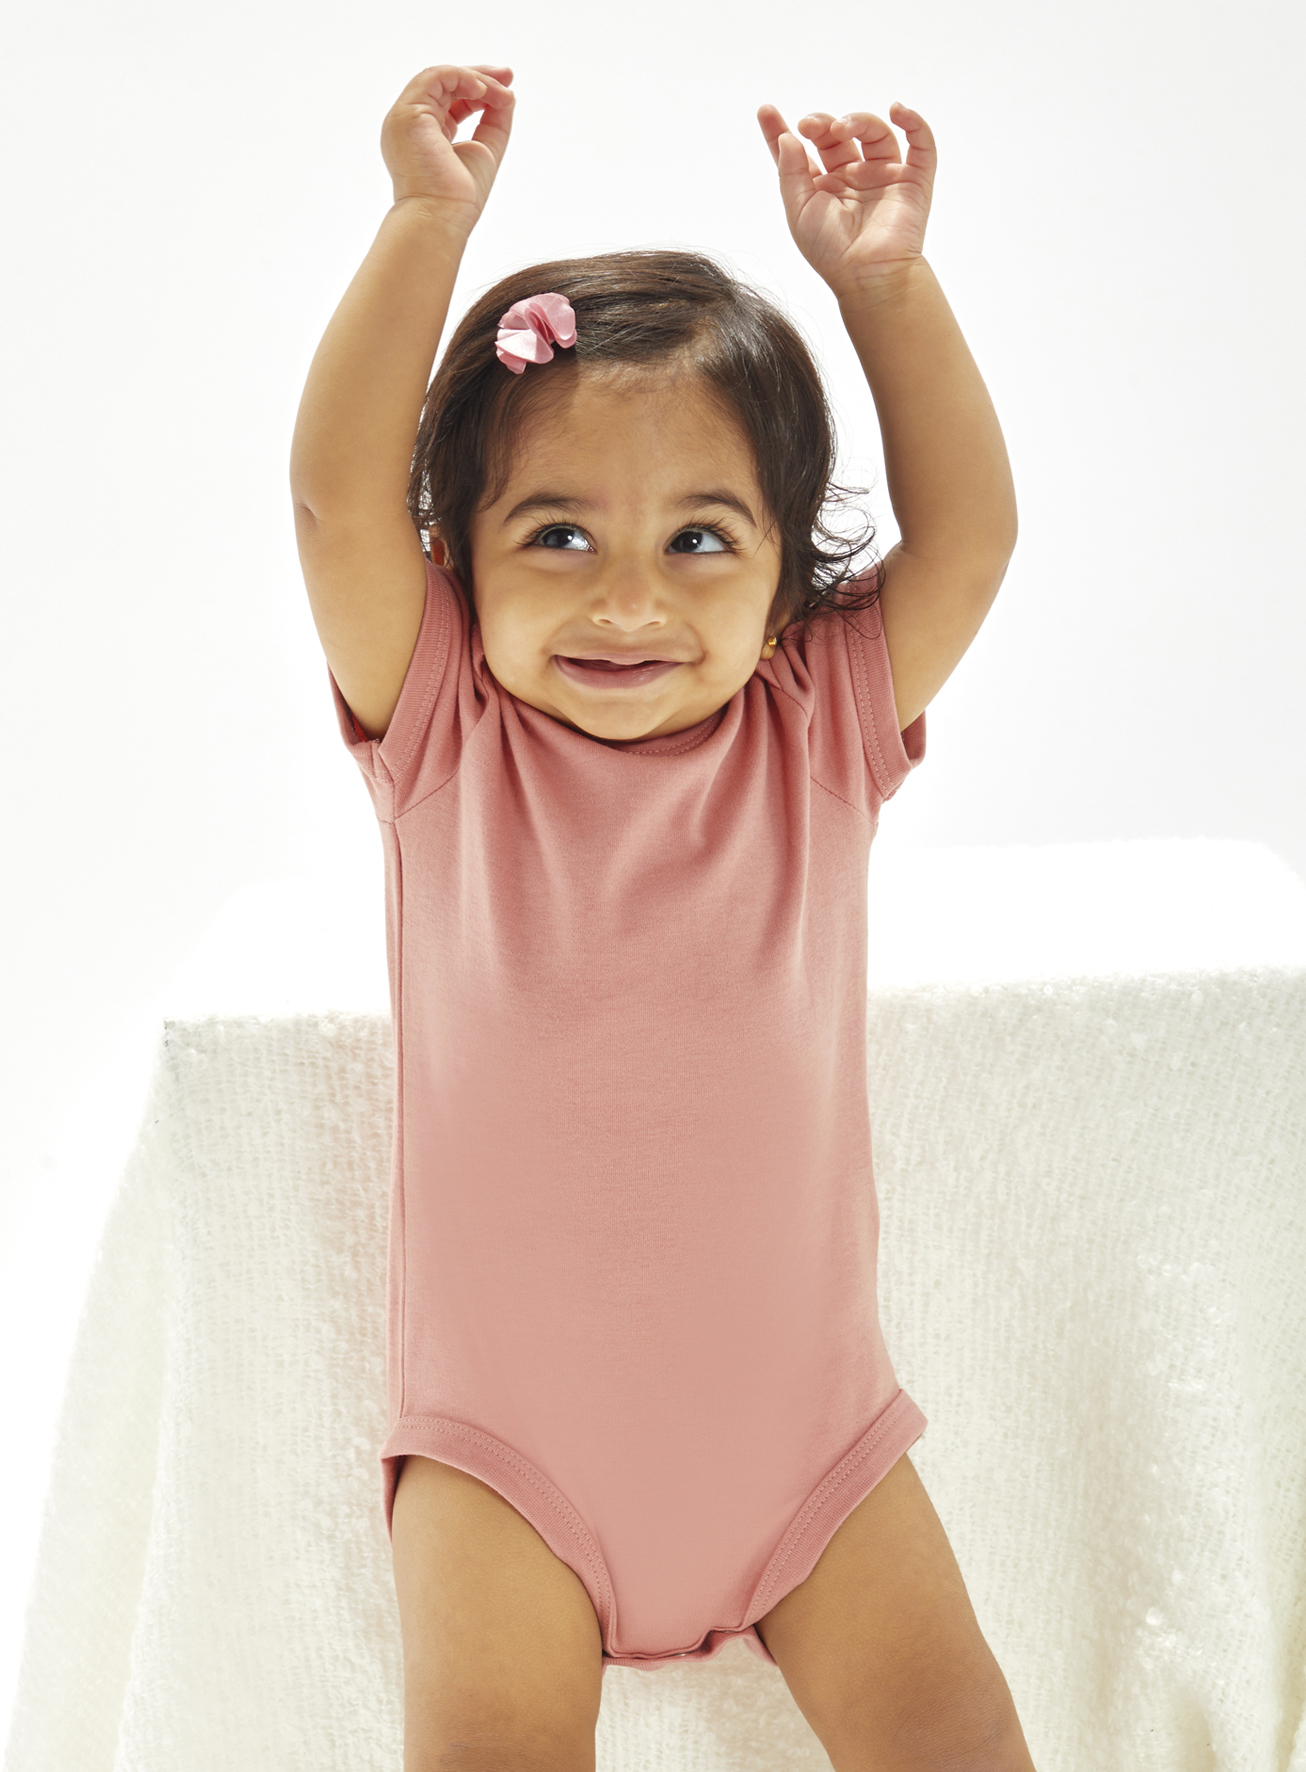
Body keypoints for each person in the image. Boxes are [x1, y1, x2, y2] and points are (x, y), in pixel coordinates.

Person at [289, 62, 1032, 1772]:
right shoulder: (446, 733)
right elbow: (334, 499)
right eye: (557, 534)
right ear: (457, 565)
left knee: (959, 1740)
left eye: (701, 539)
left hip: (812, 1452)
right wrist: (424, 227)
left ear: (786, 584)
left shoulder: (816, 730)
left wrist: (886, 287)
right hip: (509, 1463)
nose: (629, 598)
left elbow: (974, 538)